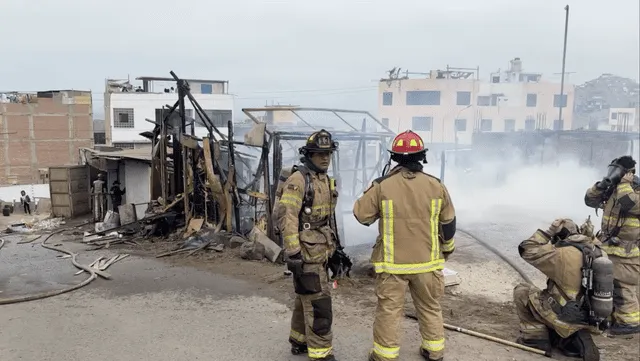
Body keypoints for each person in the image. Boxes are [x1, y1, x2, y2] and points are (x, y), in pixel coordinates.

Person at [353, 130, 456, 361]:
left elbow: (361, 215)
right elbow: (448, 222)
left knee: (389, 312)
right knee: (430, 308)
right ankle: (434, 351)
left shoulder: (382, 186)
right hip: (428, 264)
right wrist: (447, 248)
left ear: (394, 158)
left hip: (393, 266)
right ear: (422, 156)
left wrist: (373, 188)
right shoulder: (436, 185)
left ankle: (385, 356)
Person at [274, 129, 340, 361]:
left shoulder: (323, 179)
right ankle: (321, 353)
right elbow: (287, 217)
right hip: (306, 252)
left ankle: (299, 340)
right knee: (319, 303)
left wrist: (335, 249)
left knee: (306, 297)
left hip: (321, 249)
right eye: (319, 154)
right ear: (308, 155)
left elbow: (327, 219)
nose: (325, 158)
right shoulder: (298, 180)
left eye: (328, 154)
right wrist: (293, 253)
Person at [513, 218, 612, 361]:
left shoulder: (559, 254)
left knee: (522, 291)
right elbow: (595, 244)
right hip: (593, 320)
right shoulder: (601, 253)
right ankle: (567, 340)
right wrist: (590, 236)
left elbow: (526, 249)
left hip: (566, 316)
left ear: (559, 237)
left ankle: (535, 339)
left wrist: (548, 232)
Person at [584, 155, 640, 335]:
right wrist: (601, 185)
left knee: (624, 288)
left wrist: (624, 184)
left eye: (618, 171)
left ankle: (630, 324)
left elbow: (628, 204)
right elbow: (589, 200)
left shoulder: (635, 192)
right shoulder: (614, 190)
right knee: (606, 285)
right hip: (609, 248)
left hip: (628, 253)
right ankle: (612, 318)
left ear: (629, 174)